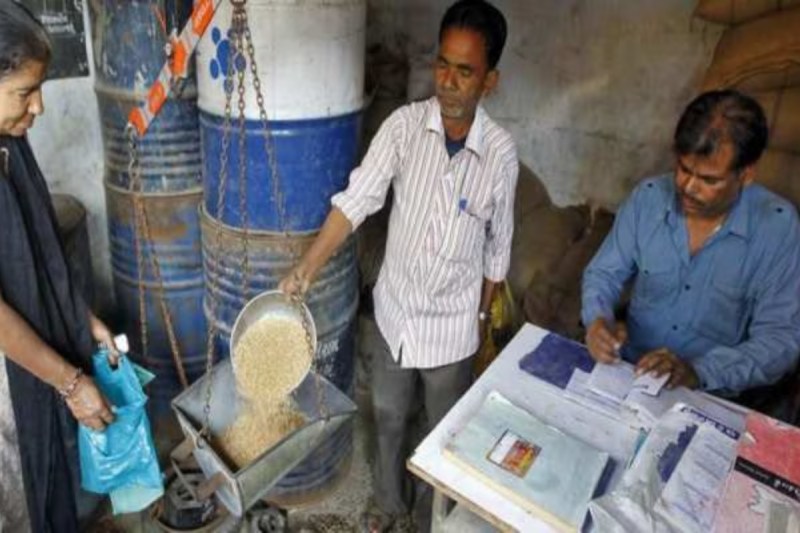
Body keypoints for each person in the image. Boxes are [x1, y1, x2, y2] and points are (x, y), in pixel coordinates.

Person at [280, 0, 516, 529]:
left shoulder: (500, 156)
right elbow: (355, 200)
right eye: (443, 65)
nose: (450, 83)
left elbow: (497, 252)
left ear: (490, 80)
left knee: (443, 432)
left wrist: (480, 327)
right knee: (387, 418)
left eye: (466, 71)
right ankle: (389, 503)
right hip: (394, 314)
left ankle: (439, 519)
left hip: (453, 330)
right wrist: (307, 268)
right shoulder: (404, 128)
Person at [582, 89, 800, 397]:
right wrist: (597, 320)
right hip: (627, 371)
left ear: (746, 174)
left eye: (710, 180)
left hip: (705, 392)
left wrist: (699, 371)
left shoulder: (777, 227)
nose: (688, 188)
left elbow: (780, 339)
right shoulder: (648, 198)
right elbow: (603, 274)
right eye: (684, 169)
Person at [0, 3, 118, 532]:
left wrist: (81, 316)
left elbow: (39, 252)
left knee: (51, 492)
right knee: (19, 500)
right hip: (8, 385)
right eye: (24, 92)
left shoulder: (11, 145)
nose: (39, 107)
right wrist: (69, 383)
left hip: (36, 364)